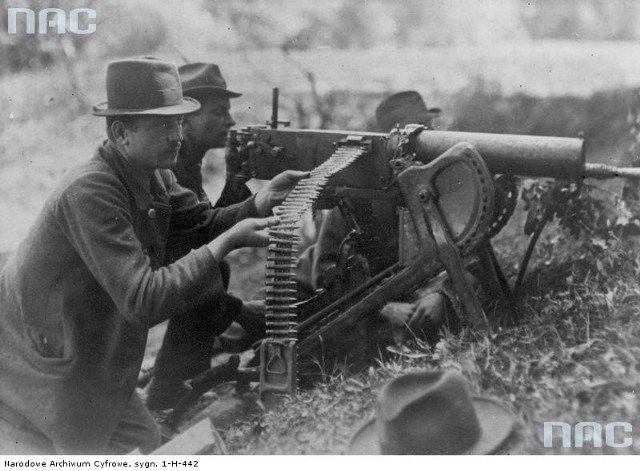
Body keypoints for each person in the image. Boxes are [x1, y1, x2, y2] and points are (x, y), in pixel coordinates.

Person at [0, 57, 306, 454]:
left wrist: (260, 202)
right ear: (121, 132)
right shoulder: (91, 190)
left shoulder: (154, 174)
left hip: (85, 345)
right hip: (36, 354)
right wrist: (228, 241)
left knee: (141, 440)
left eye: (178, 121)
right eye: (162, 124)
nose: (177, 135)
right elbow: (143, 300)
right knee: (69, 452)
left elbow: (200, 222)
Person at [145, 62, 258, 409]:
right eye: (218, 112)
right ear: (186, 119)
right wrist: (240, 311)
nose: (231, 121)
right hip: (126, 284)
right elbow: (192, 249)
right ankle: (167, 389)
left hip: (150, 271)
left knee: (213, 271)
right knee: (210, 272)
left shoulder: (186, 161)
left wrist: (237, 181)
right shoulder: (170, 166)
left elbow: (202, 225)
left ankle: (172, 383)